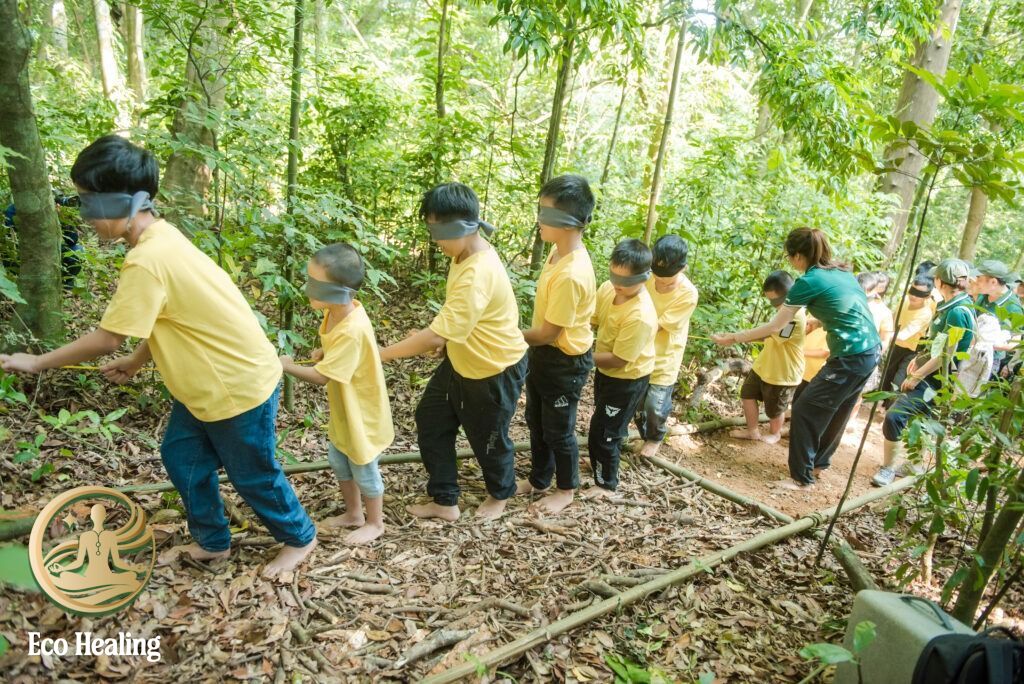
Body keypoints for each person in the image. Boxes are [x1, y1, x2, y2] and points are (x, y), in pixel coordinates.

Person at [0, 135, 317, 578]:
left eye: (90, 203)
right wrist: (136, 361)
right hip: (203, 387)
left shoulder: (148, 259)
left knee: (253, 474)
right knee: (183, 459)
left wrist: (36, 362)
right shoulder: (162, 239)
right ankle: (212, 542)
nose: (85, 216)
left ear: (125, 202)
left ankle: (299, 537)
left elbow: (106, 338)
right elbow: (169, 318)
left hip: (236, 387)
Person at [380, 183, 527, 522]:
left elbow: (434, 334)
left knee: (489, 439)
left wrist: (382, 353)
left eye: (439, 232)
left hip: (493, 369)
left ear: (463, 226)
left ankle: (500, 494)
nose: (436, 241)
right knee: (431, 419)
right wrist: (447, 340)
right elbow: (460, 319)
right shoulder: (463, 253)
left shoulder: (477, 271)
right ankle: (445, 500)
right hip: (462, 360)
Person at [713, 228, 880, 489]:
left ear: (799, 256)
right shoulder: (842, 272)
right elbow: (849, 310)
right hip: (870, 350)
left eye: (790, 257)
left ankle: (801, 478)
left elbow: (774, 327)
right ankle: (818, 464)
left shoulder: (807, 282)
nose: (791, 262)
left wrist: (734, 337)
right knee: (839, 409)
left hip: (849, 356)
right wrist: (821, 321)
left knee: (804, 408)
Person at [280, 243, 394, 545]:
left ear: (339, 290)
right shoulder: (336, 312)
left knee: (363, 467)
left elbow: (321, 377)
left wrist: (286, 366)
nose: (307, 288)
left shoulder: (351, 329)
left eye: (315, 283)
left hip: (361, 412)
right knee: (339, 459)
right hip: (344, 408)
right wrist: (325, 351)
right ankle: (354, 513)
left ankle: (376, 522)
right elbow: (339, 350)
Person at [515, 175, 596, 515]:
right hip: (544, 356)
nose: (539, 220)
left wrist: (506, 334)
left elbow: (548, 333)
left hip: (564, 361)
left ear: (568, 222)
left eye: (545, 213)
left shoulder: (572, 274)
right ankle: (539, 479)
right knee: (536, 420)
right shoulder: (556, 252)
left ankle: (566, 489)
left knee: (559, 430)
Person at [873, 259, 976, 486]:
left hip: (937, 379)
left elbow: (947, 353)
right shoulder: (950, 305)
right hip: (931, 372)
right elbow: (937, 343)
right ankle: (915, 465)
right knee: (921, 420)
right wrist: (919, 359)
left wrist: (918, 375)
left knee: (894, 416)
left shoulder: (957, 311)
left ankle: (888, 468)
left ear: (940, 281)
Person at [586, 239, 658, 499]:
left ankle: (606, 483)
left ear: (644, 277)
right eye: (614, 275)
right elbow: (592, 320)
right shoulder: (608, 289)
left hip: (628, 379)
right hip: (606, 372)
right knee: (603, 422)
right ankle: (600, 465)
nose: (618, 284)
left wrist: (582, 358)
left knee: (605, 432)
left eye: (626, 280)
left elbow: (619, 359)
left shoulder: (640, 315)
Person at [634, 234, 698, 458]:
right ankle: (643, 434)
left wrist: (629, 326)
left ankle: (655, 437)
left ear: (683, 268)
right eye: (657, 277)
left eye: (667, 281)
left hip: (665, 357)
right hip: (639, 352)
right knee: (637, 402)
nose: (660, 283)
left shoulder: (688, 294)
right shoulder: (645, 278)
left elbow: (659, 325)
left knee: (655, 404)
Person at [729, 271, 806, 444]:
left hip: (783, 372)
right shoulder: (783, 311)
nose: (774, 305)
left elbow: (770, 333)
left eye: (776, 301)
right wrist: (737, 337)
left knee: (774, 409)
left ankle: (775, 433)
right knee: (747, 394)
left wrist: (735, 337)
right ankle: (752, 431)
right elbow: (768, 334)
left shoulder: (795, 316)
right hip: (764, 365)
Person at [4, 192, 85, 288]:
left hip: (50, 250)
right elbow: (8, 238)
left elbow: (72, 240)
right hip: (25, 254)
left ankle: (65, 287)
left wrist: (60, 218)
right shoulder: (15, 209)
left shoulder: (56, 211)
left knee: (78, 250)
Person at [879, 276, 934, 404]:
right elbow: (892, 319)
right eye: (912, 291)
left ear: (927, 296)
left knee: (899, 379)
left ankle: (890, 407)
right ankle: (882, 403)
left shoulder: (925, 313)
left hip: (911, 350)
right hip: (896, 345)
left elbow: (904, 335)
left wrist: (882, 333)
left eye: (919, 294)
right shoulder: (904, 301)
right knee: (888, 373)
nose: (914, 296)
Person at [971, 259, 1023, 378]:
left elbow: (1014, 344)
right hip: (971, 351)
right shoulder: (984, 296)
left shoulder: (1013, 307)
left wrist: (986, 343)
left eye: (979, 279)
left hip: (989, 360)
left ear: (993, 282)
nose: (976, 282)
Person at [794, 316, 829, 402]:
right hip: (801, 373)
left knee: (802, 403)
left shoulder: (829, 331)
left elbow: (824, 352)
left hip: (812, 376)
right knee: (796, 401)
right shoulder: (813, 327)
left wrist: (798, 352)